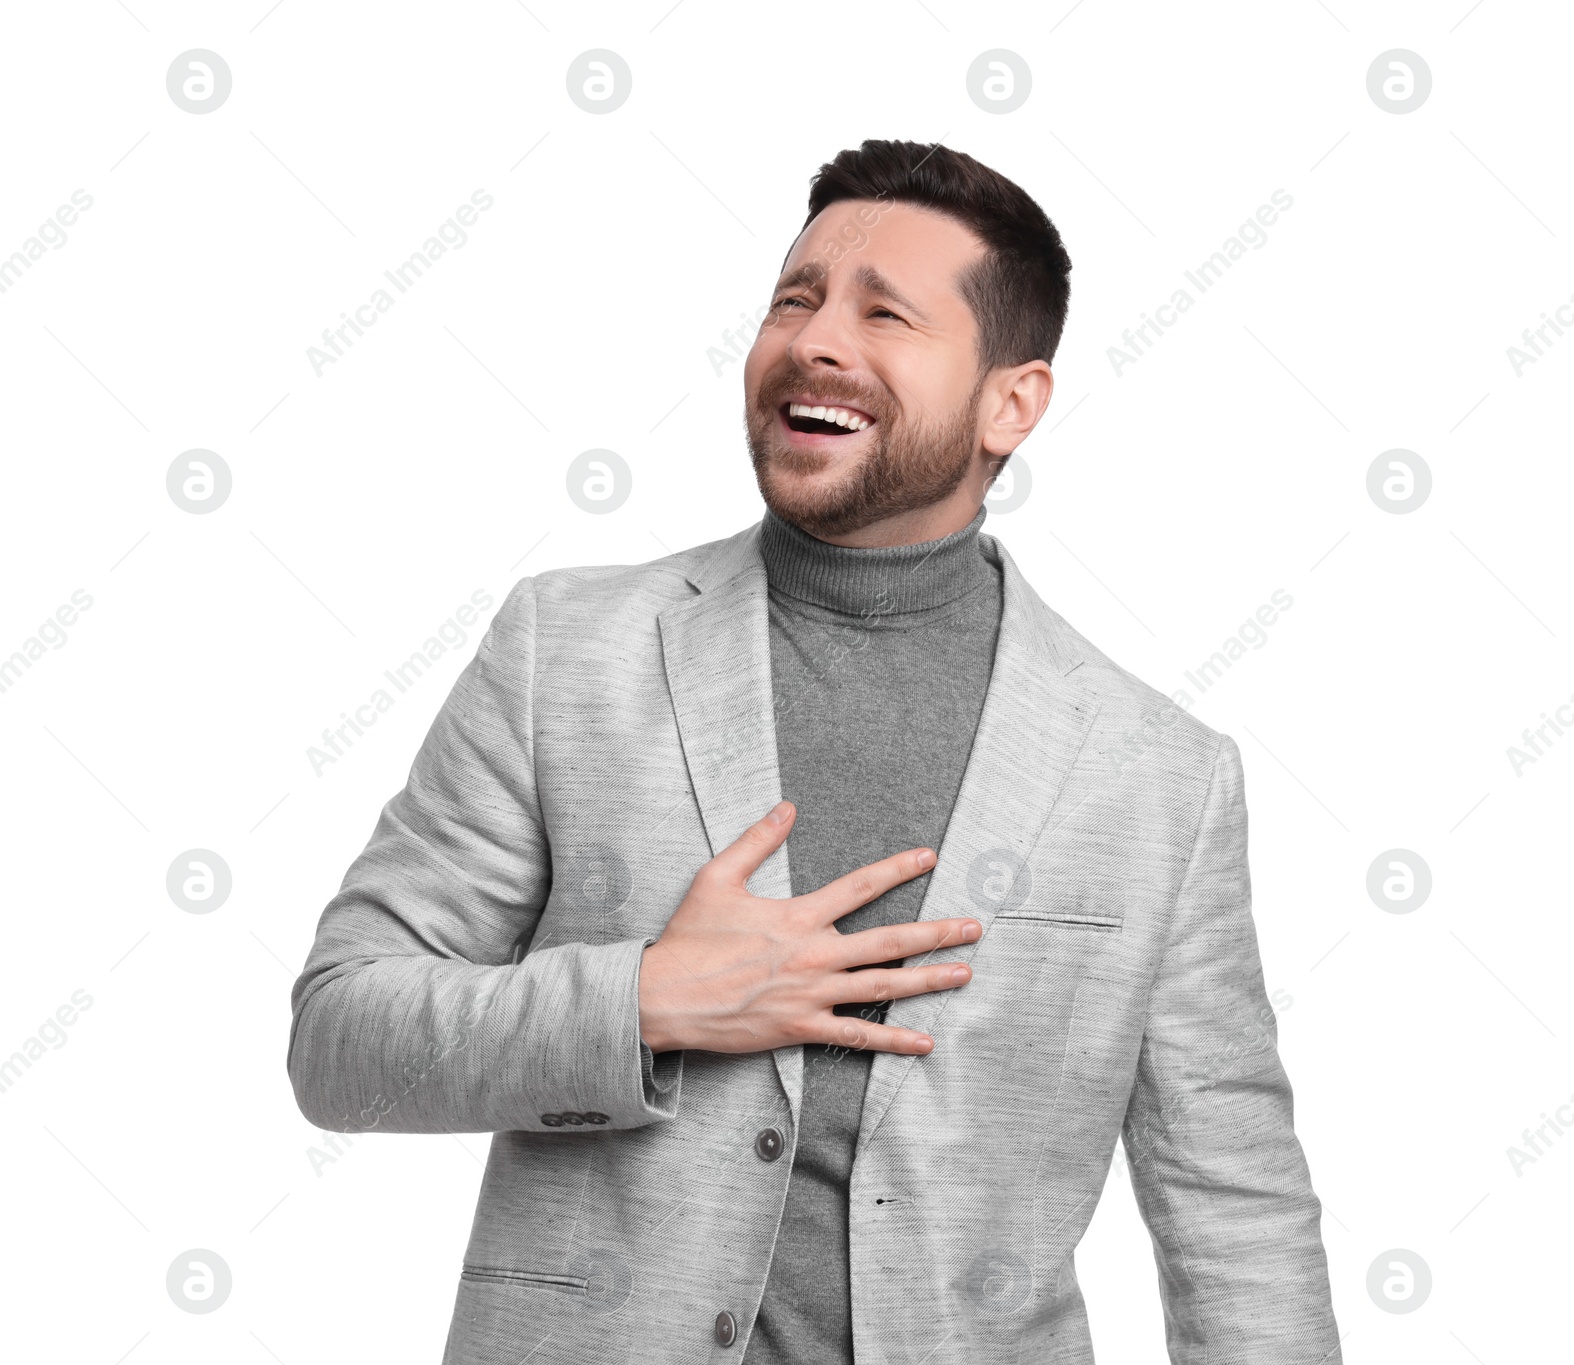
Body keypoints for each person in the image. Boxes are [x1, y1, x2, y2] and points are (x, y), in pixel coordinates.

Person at [288, 138, 1341, 1364]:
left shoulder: (1159, 773)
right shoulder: (565, 650)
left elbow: (1234, 1208)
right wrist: (647, 1001)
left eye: (882, 312)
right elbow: (341, 1042)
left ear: (1013, 401)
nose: (813, 340)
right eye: (795, 298)